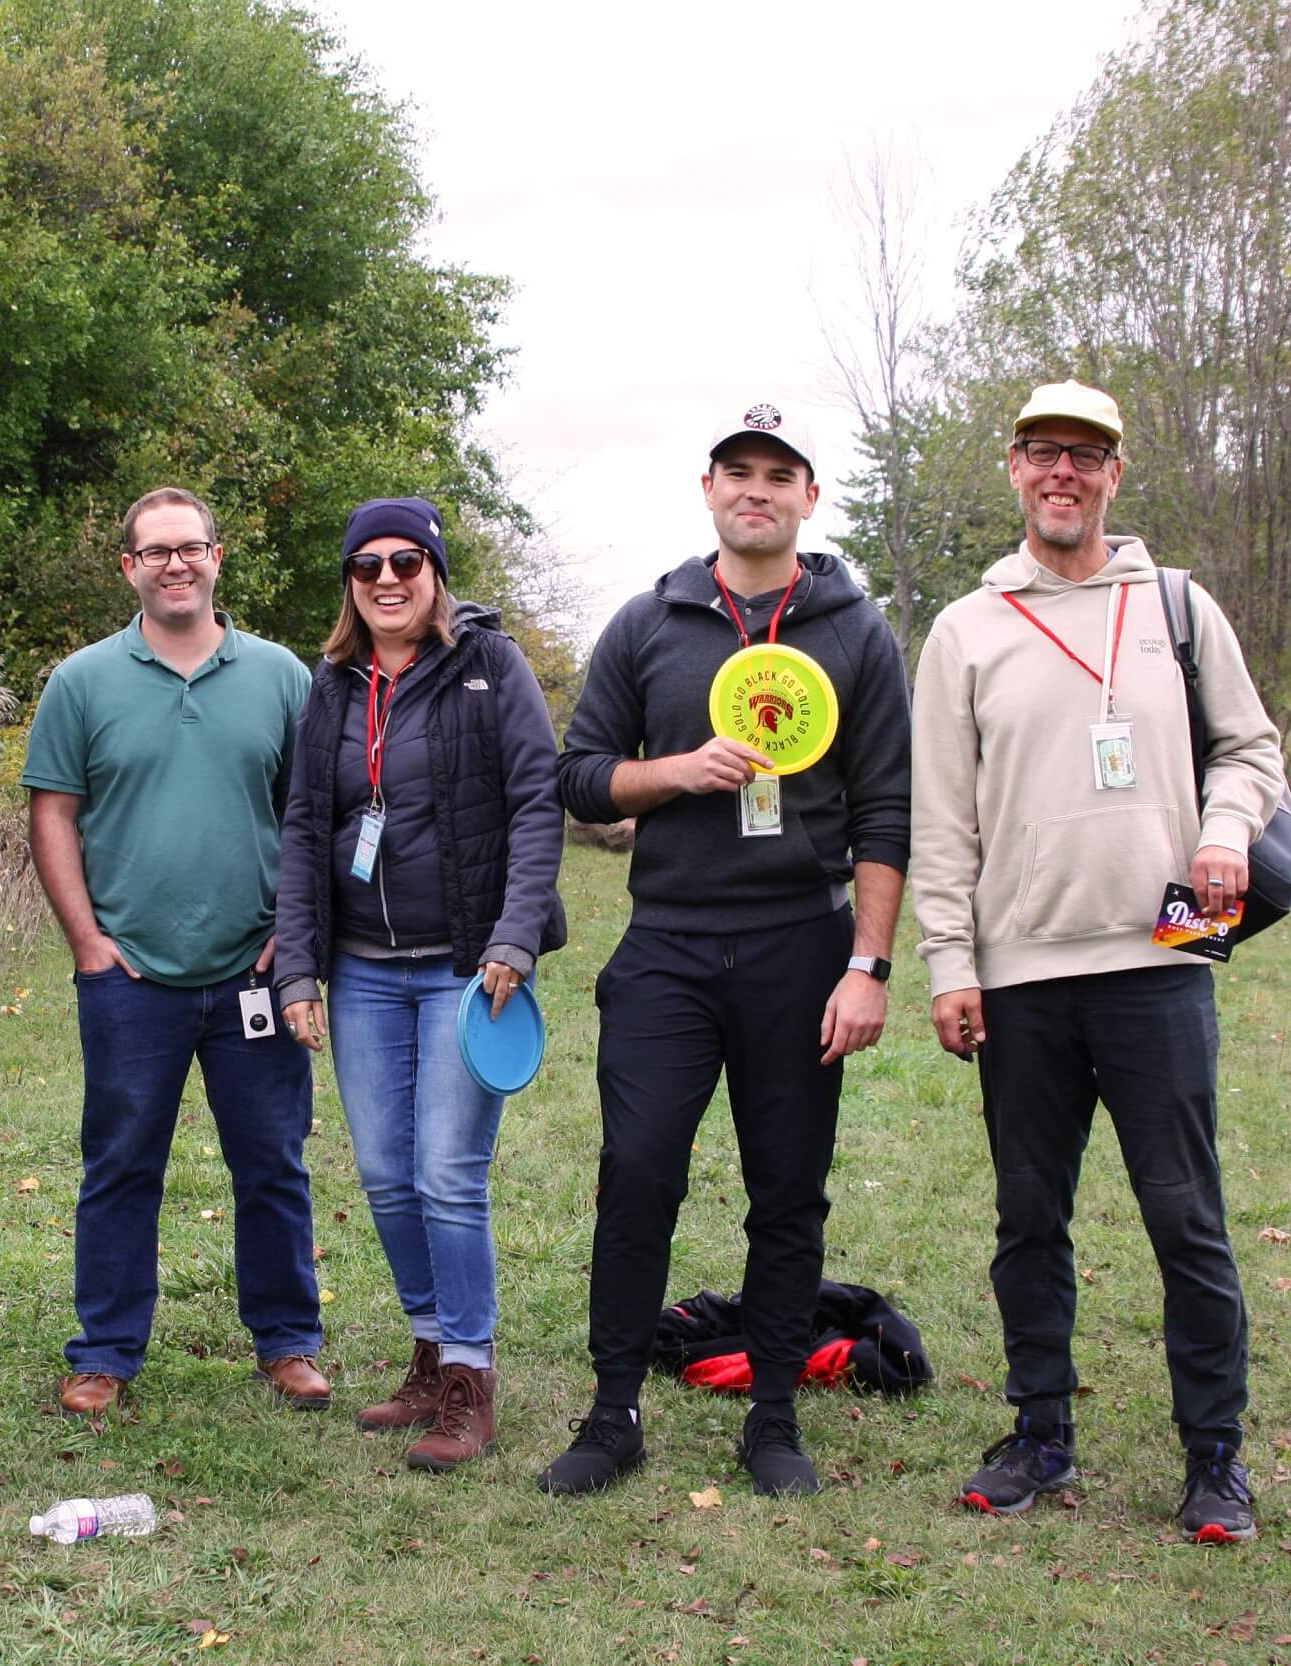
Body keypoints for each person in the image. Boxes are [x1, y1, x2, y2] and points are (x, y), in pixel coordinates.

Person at [909, 379, 1287, 1544]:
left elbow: (1251, 748)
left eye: (1085, 454)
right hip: (1019, 977)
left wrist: (1223, 832)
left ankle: (1214, 1456)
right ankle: (1039, 1434)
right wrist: (947, 962)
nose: (1061, 472)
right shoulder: (966, 629)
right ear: (1013, 470)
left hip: (1160, 959)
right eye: (1040, 453)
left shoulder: (1176, 605)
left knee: (1186, 1220)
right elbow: (941, 817)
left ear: (1115, 474)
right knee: (1030, 1220)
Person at [547, 401, 912, 1498]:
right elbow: (578, 776)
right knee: (639, 1171)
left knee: (787, 1190)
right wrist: (678, 772)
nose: (756, 489)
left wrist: (869, 964)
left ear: (809, 497)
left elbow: (890, 810)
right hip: (667, 943)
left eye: (779, 474)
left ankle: (774, 1418)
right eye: (736, 472)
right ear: (708, 489)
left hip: (802, 945)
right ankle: (612, 1413)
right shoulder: (647, 621)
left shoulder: (855, 631)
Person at [272, 497, 567, 1472]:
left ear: (435, 572)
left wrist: (515, 937)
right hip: (359, 971)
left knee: (447, 1173)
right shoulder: (332, 683)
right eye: (366, 566)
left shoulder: (491, 667)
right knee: (387, 1178)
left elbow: (535, 801)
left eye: (406, 562)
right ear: (350, 585)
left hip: (461, 969)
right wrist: (300, 965)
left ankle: (472, 1378)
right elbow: (308, 825)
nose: (387, 579)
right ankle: (432, 1348)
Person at [22, 487, 324, 1418]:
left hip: (255, 972)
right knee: (120, 1163)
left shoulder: (281, 677)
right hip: (131, 978)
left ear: (217, 558)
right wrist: (87, 943)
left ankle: (287, 1342)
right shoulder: (82, 682)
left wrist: (297, 929)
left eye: (190, 548)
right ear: (130, 568)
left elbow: (311, 816)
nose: (175, 564)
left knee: (272, 1161)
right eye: (155, 552)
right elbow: (53, 815)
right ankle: (105, 1350)